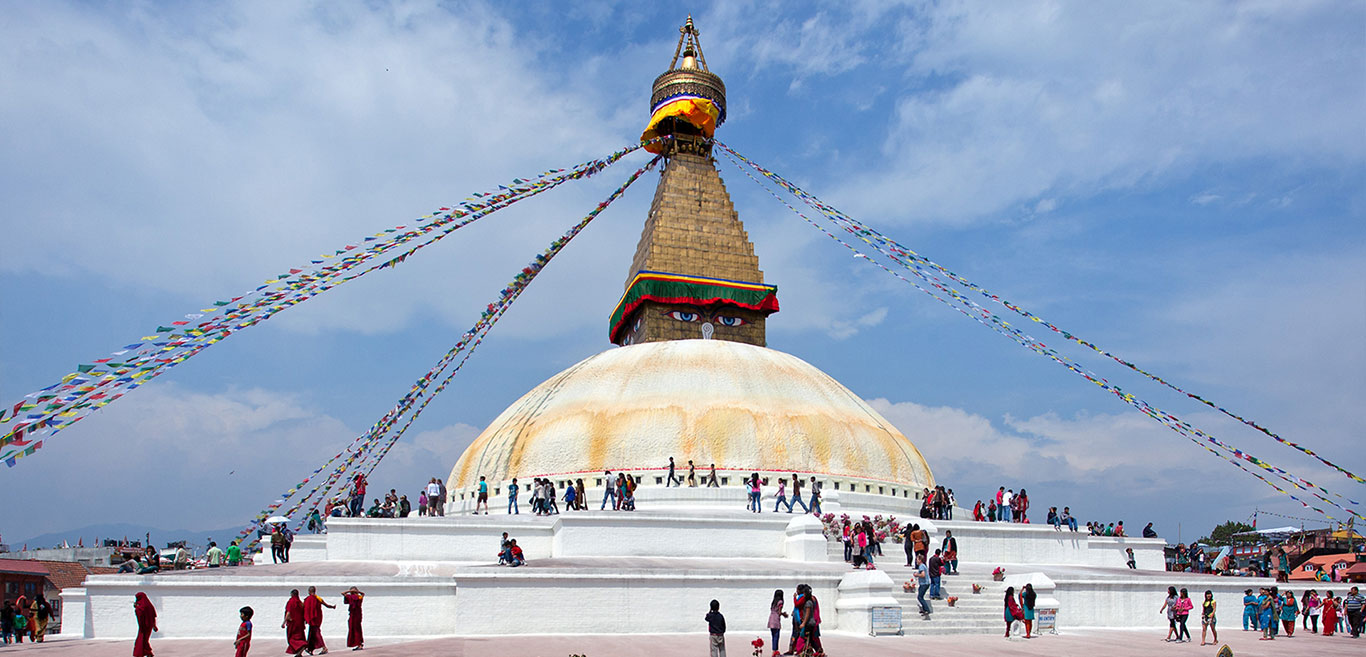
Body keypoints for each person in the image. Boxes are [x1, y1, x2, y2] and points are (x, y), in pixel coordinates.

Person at [303, 585, 335, 654]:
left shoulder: (308, 599)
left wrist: (305, 618)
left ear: (309, 591)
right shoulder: (318, 598)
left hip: (312, 619)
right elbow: (326, 605)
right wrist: (332, 607)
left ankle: (324, 648)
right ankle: (310, 649)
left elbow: (305, 609)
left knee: (317, 633)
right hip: (317, 619)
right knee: (311, 634)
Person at [283, 589, 308, 656]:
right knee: (299, 636)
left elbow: (288, 613)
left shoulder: (291, 602)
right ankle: (299, 653)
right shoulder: (300, 603)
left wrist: (284, 622)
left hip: (292, 623)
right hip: (300, 623)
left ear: (292, 594)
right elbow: (304, 612)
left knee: (291, 639)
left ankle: (303, 644)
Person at [133, 592, 157, 657]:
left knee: (141, 640)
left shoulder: (140, 607)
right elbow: (153, 616)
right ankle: (148, 653)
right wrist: (154, 626)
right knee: (144, 640)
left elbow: (139, 613)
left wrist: (136, 608)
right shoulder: (149, 605)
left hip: (143, 627)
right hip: (149, 626)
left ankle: (145, 653)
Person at [342, 587, 365, 651]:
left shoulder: (351, 597)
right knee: (358, 629)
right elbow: (363, 594)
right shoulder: (359, 597)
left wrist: (349, 591)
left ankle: (359, 645)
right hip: (358, 615)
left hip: (353, 615)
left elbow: (343, 593)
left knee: (355, 629)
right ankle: (359, 643)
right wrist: (358, 591)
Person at [766, 589, 787, 657]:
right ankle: (775, 652)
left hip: (771, 619)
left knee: (773, 636)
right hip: (776, 620)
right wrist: (784, 614)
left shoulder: (774, 602)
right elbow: (779, 612)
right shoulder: (780, 602)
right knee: (776, 636)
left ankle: (774, 651)